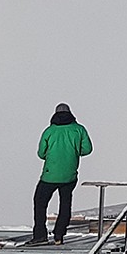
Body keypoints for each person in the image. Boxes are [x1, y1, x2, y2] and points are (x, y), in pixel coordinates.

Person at [31, 102, 92, 245]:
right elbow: (87, 149)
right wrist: (74, 152)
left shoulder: (49, 131)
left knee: (40, 203)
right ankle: (59, 235)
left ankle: (40, 235)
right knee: (65, 204)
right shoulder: (79, 129)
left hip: (50, 174)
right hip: (70, 175)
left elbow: (41, 153)